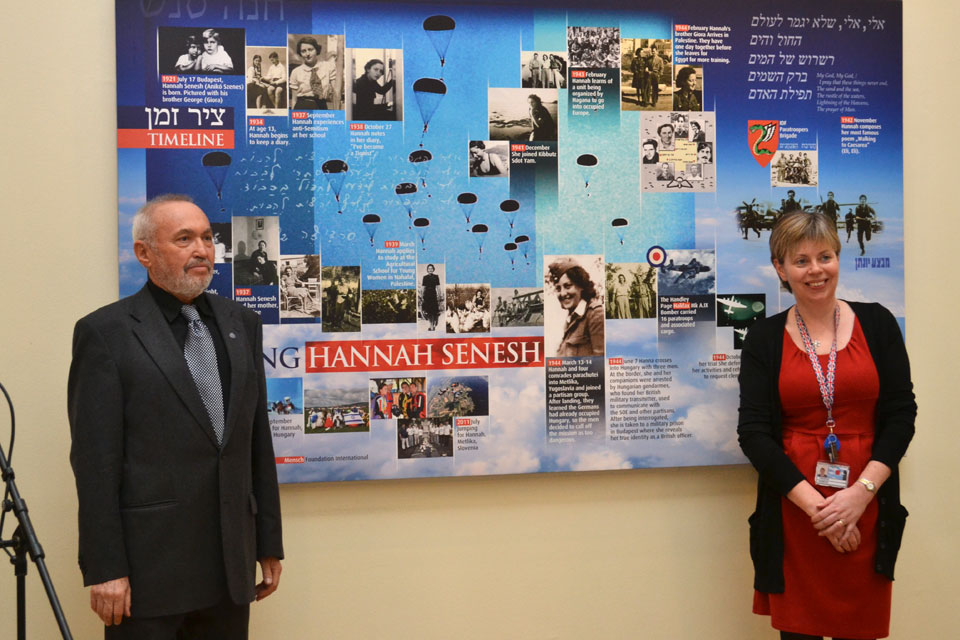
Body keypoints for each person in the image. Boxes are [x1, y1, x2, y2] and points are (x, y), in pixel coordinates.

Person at [68, 194, 282, 637]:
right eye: (184, 239)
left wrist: (268, 543)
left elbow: (256, 441)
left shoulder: (241, 322)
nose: (202, 250)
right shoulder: (106, 333)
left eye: (207, 237)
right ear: (144, 253)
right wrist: (105, 568)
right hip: (150, 575)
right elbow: (95, 463)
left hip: (230, 570)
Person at [737, 210, 915, 640]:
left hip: (868, 505)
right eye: (801, 261)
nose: (816, 270)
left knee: (862, 630)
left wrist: (860, 496)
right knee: (799, 633)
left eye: (825, 256)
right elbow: (755, 434)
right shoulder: (763, 338)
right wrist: (821, 511)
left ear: (838, 258)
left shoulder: (878, 322)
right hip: (797, 511)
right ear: (780, 268)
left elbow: (901, 414)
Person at [547, 257, 604, 356]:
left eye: (568, 286)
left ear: (581, 285)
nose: (563, 293)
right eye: (558, 288)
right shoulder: (571, 319)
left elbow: (600, 363)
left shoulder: (595, 314)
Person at [289, 36, 335, 110]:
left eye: (310, 50)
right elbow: (294, 99)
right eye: (303, 51)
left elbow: (336, 92)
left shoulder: (328, 67)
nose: (307, 54)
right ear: (300, 54)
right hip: (302, 106)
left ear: (316, 50)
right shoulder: (296, 72)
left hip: (321, 106)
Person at [420, 263, 441, 331]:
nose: (430, 270)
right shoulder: (425, 277)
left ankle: (434, 322)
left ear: (433, 269)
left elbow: (438, 287)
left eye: (431, 268)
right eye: (429, 268)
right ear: (427, 270)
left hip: (433, 294)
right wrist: (422, 296)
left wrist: (439, 295)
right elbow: (423, 287)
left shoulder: (436, 277)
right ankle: (431, 326)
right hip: (427, 295)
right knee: (429, 312)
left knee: (434, 311)